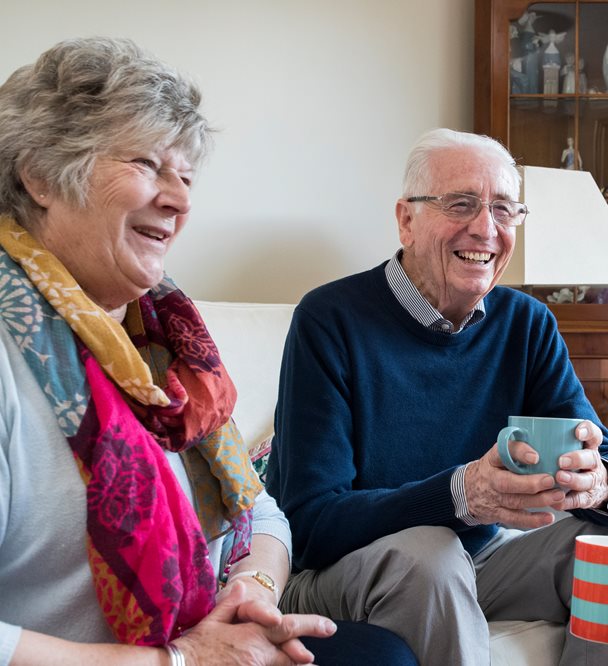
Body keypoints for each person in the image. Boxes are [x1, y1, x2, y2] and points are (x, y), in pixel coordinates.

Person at [0, 37, 415, 666]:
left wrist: (252, 591)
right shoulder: (12, 354)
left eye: (186, 177)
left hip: (199, 640)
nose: (181, 200)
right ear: (38, 174)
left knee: (383, 655)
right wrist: (181, 661)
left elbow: (262, 513)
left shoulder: (167, 336)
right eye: (145, 163)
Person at [267, 127, 608, 664]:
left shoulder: (526, 324)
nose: (485, 228)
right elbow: (310, 523)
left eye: (504, 210)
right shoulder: (329, 320)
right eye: (461, 204)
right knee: (430, 555)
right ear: (406, 220)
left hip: (481, 561)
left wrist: (598, 482)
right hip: (346, 569)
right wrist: (460, 495)